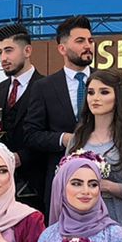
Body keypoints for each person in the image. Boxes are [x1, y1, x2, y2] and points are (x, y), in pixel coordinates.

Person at [68, 69, 122, 239]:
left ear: (118, 96)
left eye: (104, 92)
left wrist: (108, 186)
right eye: (91, 92)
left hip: (119, 220)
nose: (95, 98)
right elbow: (63, 179)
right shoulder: (77, 138)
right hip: (81, 218)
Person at [20, 15, 95, 194]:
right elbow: (31, 134)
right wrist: (63, 139)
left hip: (101, 181)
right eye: (80, 41)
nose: (88, 45)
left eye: (90, 40)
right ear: (62, 48)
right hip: (59, 182)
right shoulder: (44, 87)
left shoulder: (107, 82)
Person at [0, 23, 47, 210]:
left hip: (36, 187)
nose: (3, 58)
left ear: (27, 51)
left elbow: (51, 133)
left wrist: (21, 157)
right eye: (0, 52)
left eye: (9, 50)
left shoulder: (48, 87)